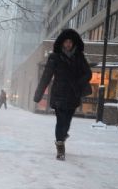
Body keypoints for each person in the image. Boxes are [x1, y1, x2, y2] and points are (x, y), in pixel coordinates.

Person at [33, 29, 92, 161]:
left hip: (73, 95)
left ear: (74, 43)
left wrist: (78, 83)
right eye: (66, 41)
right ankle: (60, 147)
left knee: (67, 122)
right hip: (59, 93)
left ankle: (63, 135)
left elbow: (88, 74)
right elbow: (46, 76)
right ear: (62, 43)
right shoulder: (55, 57)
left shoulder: (79, 57)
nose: (68, 44)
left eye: (70, 42)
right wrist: (38, 94)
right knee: (60, 121)